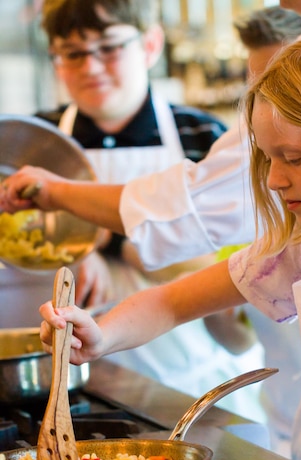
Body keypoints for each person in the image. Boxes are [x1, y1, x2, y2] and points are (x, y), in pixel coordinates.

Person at [6, 0, 301, 459]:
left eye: (293, 158)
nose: (274, 180)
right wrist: (101, 335)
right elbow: (171, 301)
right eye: (266, 158)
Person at [1, 0, 268, 420]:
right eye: (72, 53)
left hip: (192, 377)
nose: (90, 66)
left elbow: (231, 256)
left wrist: (101, 242)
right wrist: (79, 253)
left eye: (108, 47)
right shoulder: (36, 141)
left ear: (150, 44)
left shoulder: (206, 138)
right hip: (74, 382)